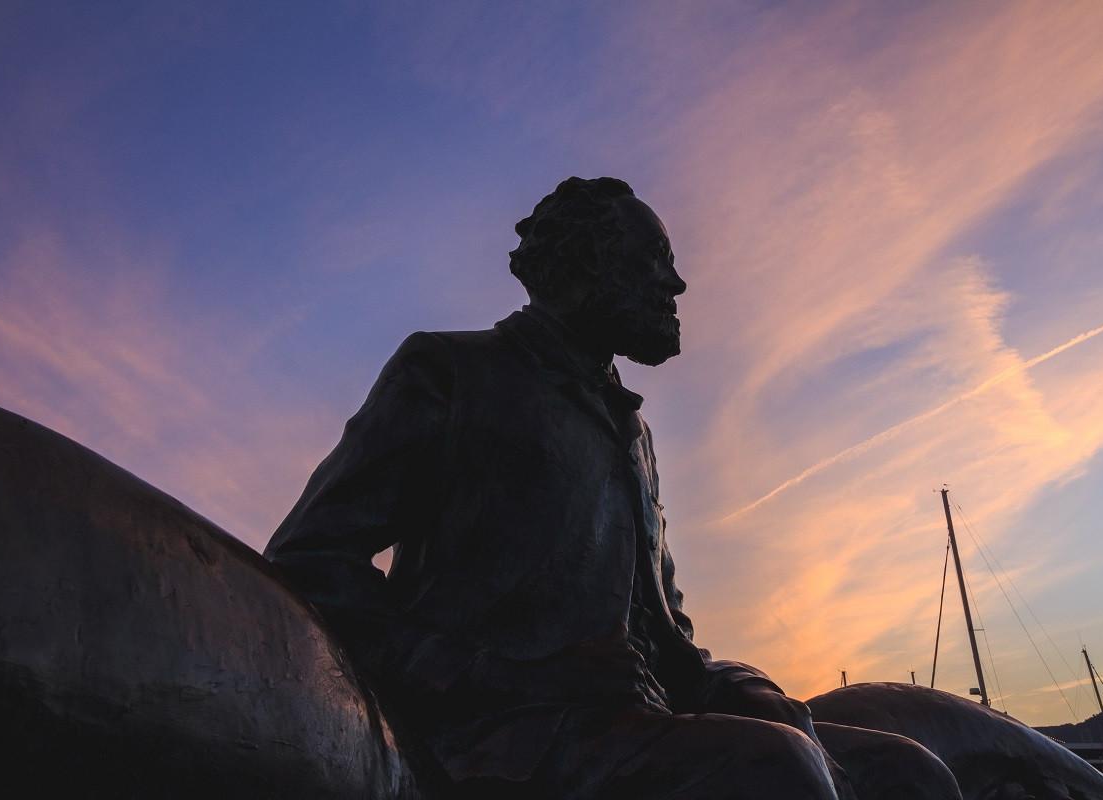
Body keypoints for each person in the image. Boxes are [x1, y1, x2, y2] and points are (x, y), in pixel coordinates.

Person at [265, 177, 957, 799]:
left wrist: (733, 685)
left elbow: (663, 627)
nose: (676, 284)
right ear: (583, 267)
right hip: (501, 737)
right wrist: (505, 672)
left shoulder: (634, 430)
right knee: (776, 769)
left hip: (631, 727)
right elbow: (309, 563)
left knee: (907, 771)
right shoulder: (451, 371)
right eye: (654, 259)